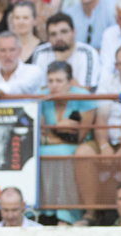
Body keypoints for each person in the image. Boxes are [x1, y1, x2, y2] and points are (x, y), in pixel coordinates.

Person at [40, 60, 98, 225]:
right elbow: (41, 133)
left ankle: (67, 215)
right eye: (50, 81)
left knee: (62, 153)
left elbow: (79, 136)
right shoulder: (43, 96)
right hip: (52, 144)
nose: (54, 85)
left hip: (83, 143)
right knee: (40, 152)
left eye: (59, 81)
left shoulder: (82, 96)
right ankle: (45, 211)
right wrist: (58, 129)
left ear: (70, 82)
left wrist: (50, 136)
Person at [31, 13, 101, 89]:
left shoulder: (88, 53)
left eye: (64, 32)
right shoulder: (41, 52)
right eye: (53, 34)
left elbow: (85, 91)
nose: (59, 38)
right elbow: (38, 89)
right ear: (48, 37)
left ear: (73, 32)